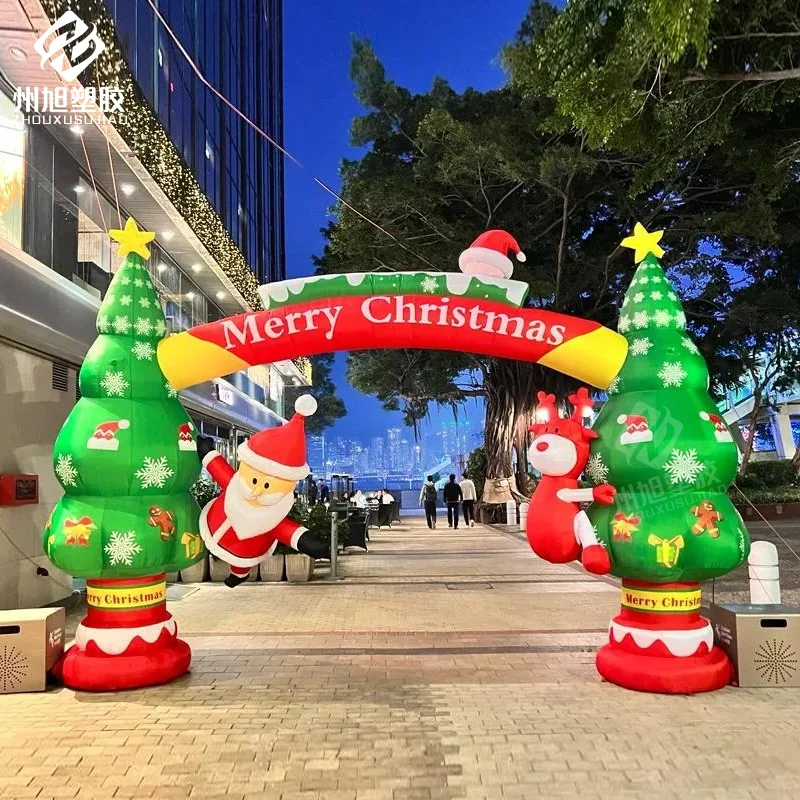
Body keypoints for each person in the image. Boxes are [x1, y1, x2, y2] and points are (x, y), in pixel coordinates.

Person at [196, 395, 328, 587]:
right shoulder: (236, 485)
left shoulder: (272, 516)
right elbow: (220, 470)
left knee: (240, 563)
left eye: (266, 486)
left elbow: (287, 530)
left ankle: (239, 574)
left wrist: (306, 541)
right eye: (255, 480)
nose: (257, 491)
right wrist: (208, 453)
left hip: (247, 549)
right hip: (211, 524)